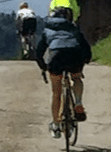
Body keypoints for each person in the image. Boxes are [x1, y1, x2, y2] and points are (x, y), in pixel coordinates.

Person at [36, 7, 91, 139]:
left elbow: (39, 52)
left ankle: (56, 124)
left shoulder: (47, 30)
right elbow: (85, 47)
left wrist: (43, 66)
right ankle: (78, 103)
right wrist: (85, 61)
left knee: (57, 92)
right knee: (76, 78)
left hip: (56, 58)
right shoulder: (73, 28)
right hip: (74, 56)